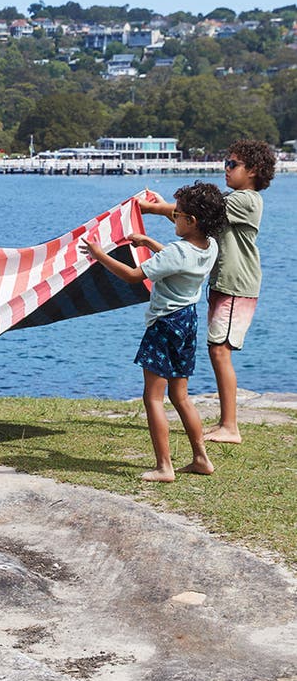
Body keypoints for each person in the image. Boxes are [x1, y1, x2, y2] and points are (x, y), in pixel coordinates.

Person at [81, 182, 226, 483]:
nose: (174, 217)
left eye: (177, 213)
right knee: (181, 396)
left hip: (165, 323)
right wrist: (148, 243)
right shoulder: (210, 246)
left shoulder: (177, 251)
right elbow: (177, 263)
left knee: (153, 398)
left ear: (192, 221)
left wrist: (99, 254)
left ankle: (164, 467)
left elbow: (134, 276)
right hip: (188, 321)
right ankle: (201, 457)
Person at [140, 141, 276, 444]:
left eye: (232, 164)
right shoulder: (233, 202)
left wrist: (152, 208)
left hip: (237, 285)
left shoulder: (248, 200)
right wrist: (166, 210)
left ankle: (230, 426)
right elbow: (195, 220)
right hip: (223, 284)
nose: (225, 168)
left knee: (219, 350)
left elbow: (200, 210)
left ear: (252, 171)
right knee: (217, 349)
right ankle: (226, 423)